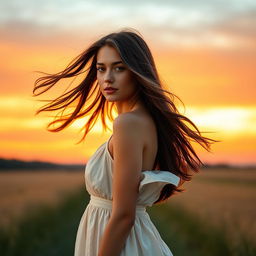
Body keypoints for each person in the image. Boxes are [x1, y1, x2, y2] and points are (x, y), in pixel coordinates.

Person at [33, 28, 218, 256]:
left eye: (119, 68)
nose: (107, 78)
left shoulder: (128, 123)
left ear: (137, 72)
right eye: (101, 69)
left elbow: (123, 215)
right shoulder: (140, 121)